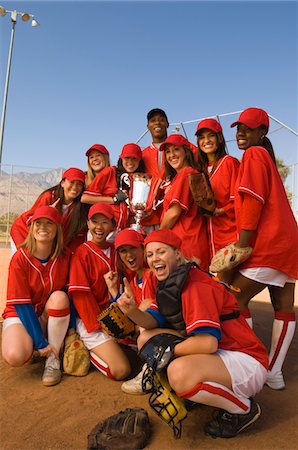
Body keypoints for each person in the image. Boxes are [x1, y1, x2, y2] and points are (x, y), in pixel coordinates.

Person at [117, 229, 269, 438]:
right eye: (150, 255)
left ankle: (243, 409)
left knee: (178, 374)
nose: (154, 259)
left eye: (161, 252)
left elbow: (207, 344)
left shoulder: (195, 285)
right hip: (222, 354)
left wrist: (168, 351)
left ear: (177, 253)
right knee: (146, 338)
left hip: (245, 361)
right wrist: (131, 311)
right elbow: (151, 321)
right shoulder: (172, 282)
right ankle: (200, 389)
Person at [221, 107, 297, 390]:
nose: (241, 133)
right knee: (284, 307)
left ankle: (248, 362)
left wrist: (239, 249)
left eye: (248, 128)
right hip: (288, 243)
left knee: (233, 299)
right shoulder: (265, 156)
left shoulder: (253, 154)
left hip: (270, 243)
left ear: (262, 132)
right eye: (238, 128)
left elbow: (253, 203)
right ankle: (274, 373)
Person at [2, 206, 72, 386]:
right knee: (15, 356)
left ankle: (53, 358)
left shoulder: (65, 257)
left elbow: (68, 298)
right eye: (38, 223)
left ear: (57, 229)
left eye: (49, 223)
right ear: (31, 228)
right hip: (19, 314)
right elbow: (21, 305)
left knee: (60, 297)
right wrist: (39, 342)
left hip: (45, 313)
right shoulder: (20, 258)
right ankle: (33, 342)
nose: (43, 227)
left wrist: (71, 329)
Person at [68, 203, 131, 381]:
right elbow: (81, 296)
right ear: (88, 224)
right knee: (121, 370)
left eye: (105, 222)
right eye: (94, 221)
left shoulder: (116, 250)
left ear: (112, 225)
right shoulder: (82, 252)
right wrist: (102, 326)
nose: (99, 227)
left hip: (117, 315)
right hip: (92, 320)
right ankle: (89, 350)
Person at [159, 134, 210, 271]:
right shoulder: (181, 176)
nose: (171, 155)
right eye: (168, 152)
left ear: (186, 152)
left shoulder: (186, 173)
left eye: (176, 150)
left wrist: (158, 236)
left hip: (188, 243)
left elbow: (174, 213)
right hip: (187, 242)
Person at [10, 167, 88, 254]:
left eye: (79, 184)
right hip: (23, 231)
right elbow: (31, 220)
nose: (75, 187)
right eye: (72, 182)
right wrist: (47, 212)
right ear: (62, 183)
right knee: (24, 260)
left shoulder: (80, 207)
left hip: (45, 237)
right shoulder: (49, 197)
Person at [196, 118, 240, 259]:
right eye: (202, 137)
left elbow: (239, 200)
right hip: (211, 236)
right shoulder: (201, 170)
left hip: (230, 233)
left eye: (211, 136)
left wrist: (220, 210)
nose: (206, 140)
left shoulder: (229, 162)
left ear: (219, 138)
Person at [81, 144, 144, 234]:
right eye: (126, 158)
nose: (130, 162)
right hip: (103, 231)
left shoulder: (139, 180)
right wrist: (113, 199)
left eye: (134, 158)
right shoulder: (110, 171)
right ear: (121, 159)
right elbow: (85, 198)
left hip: (124, 230)